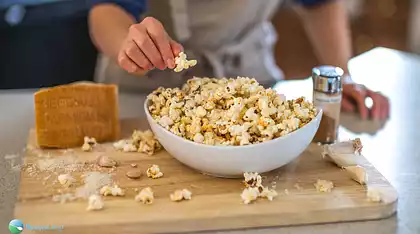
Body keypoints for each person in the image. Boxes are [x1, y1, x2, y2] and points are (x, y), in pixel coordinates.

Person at [88, 0, 389, 120]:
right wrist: (128, 44)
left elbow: (319, 3)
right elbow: (104, 10)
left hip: (249, 83)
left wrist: (342, 78)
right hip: (143, 93)